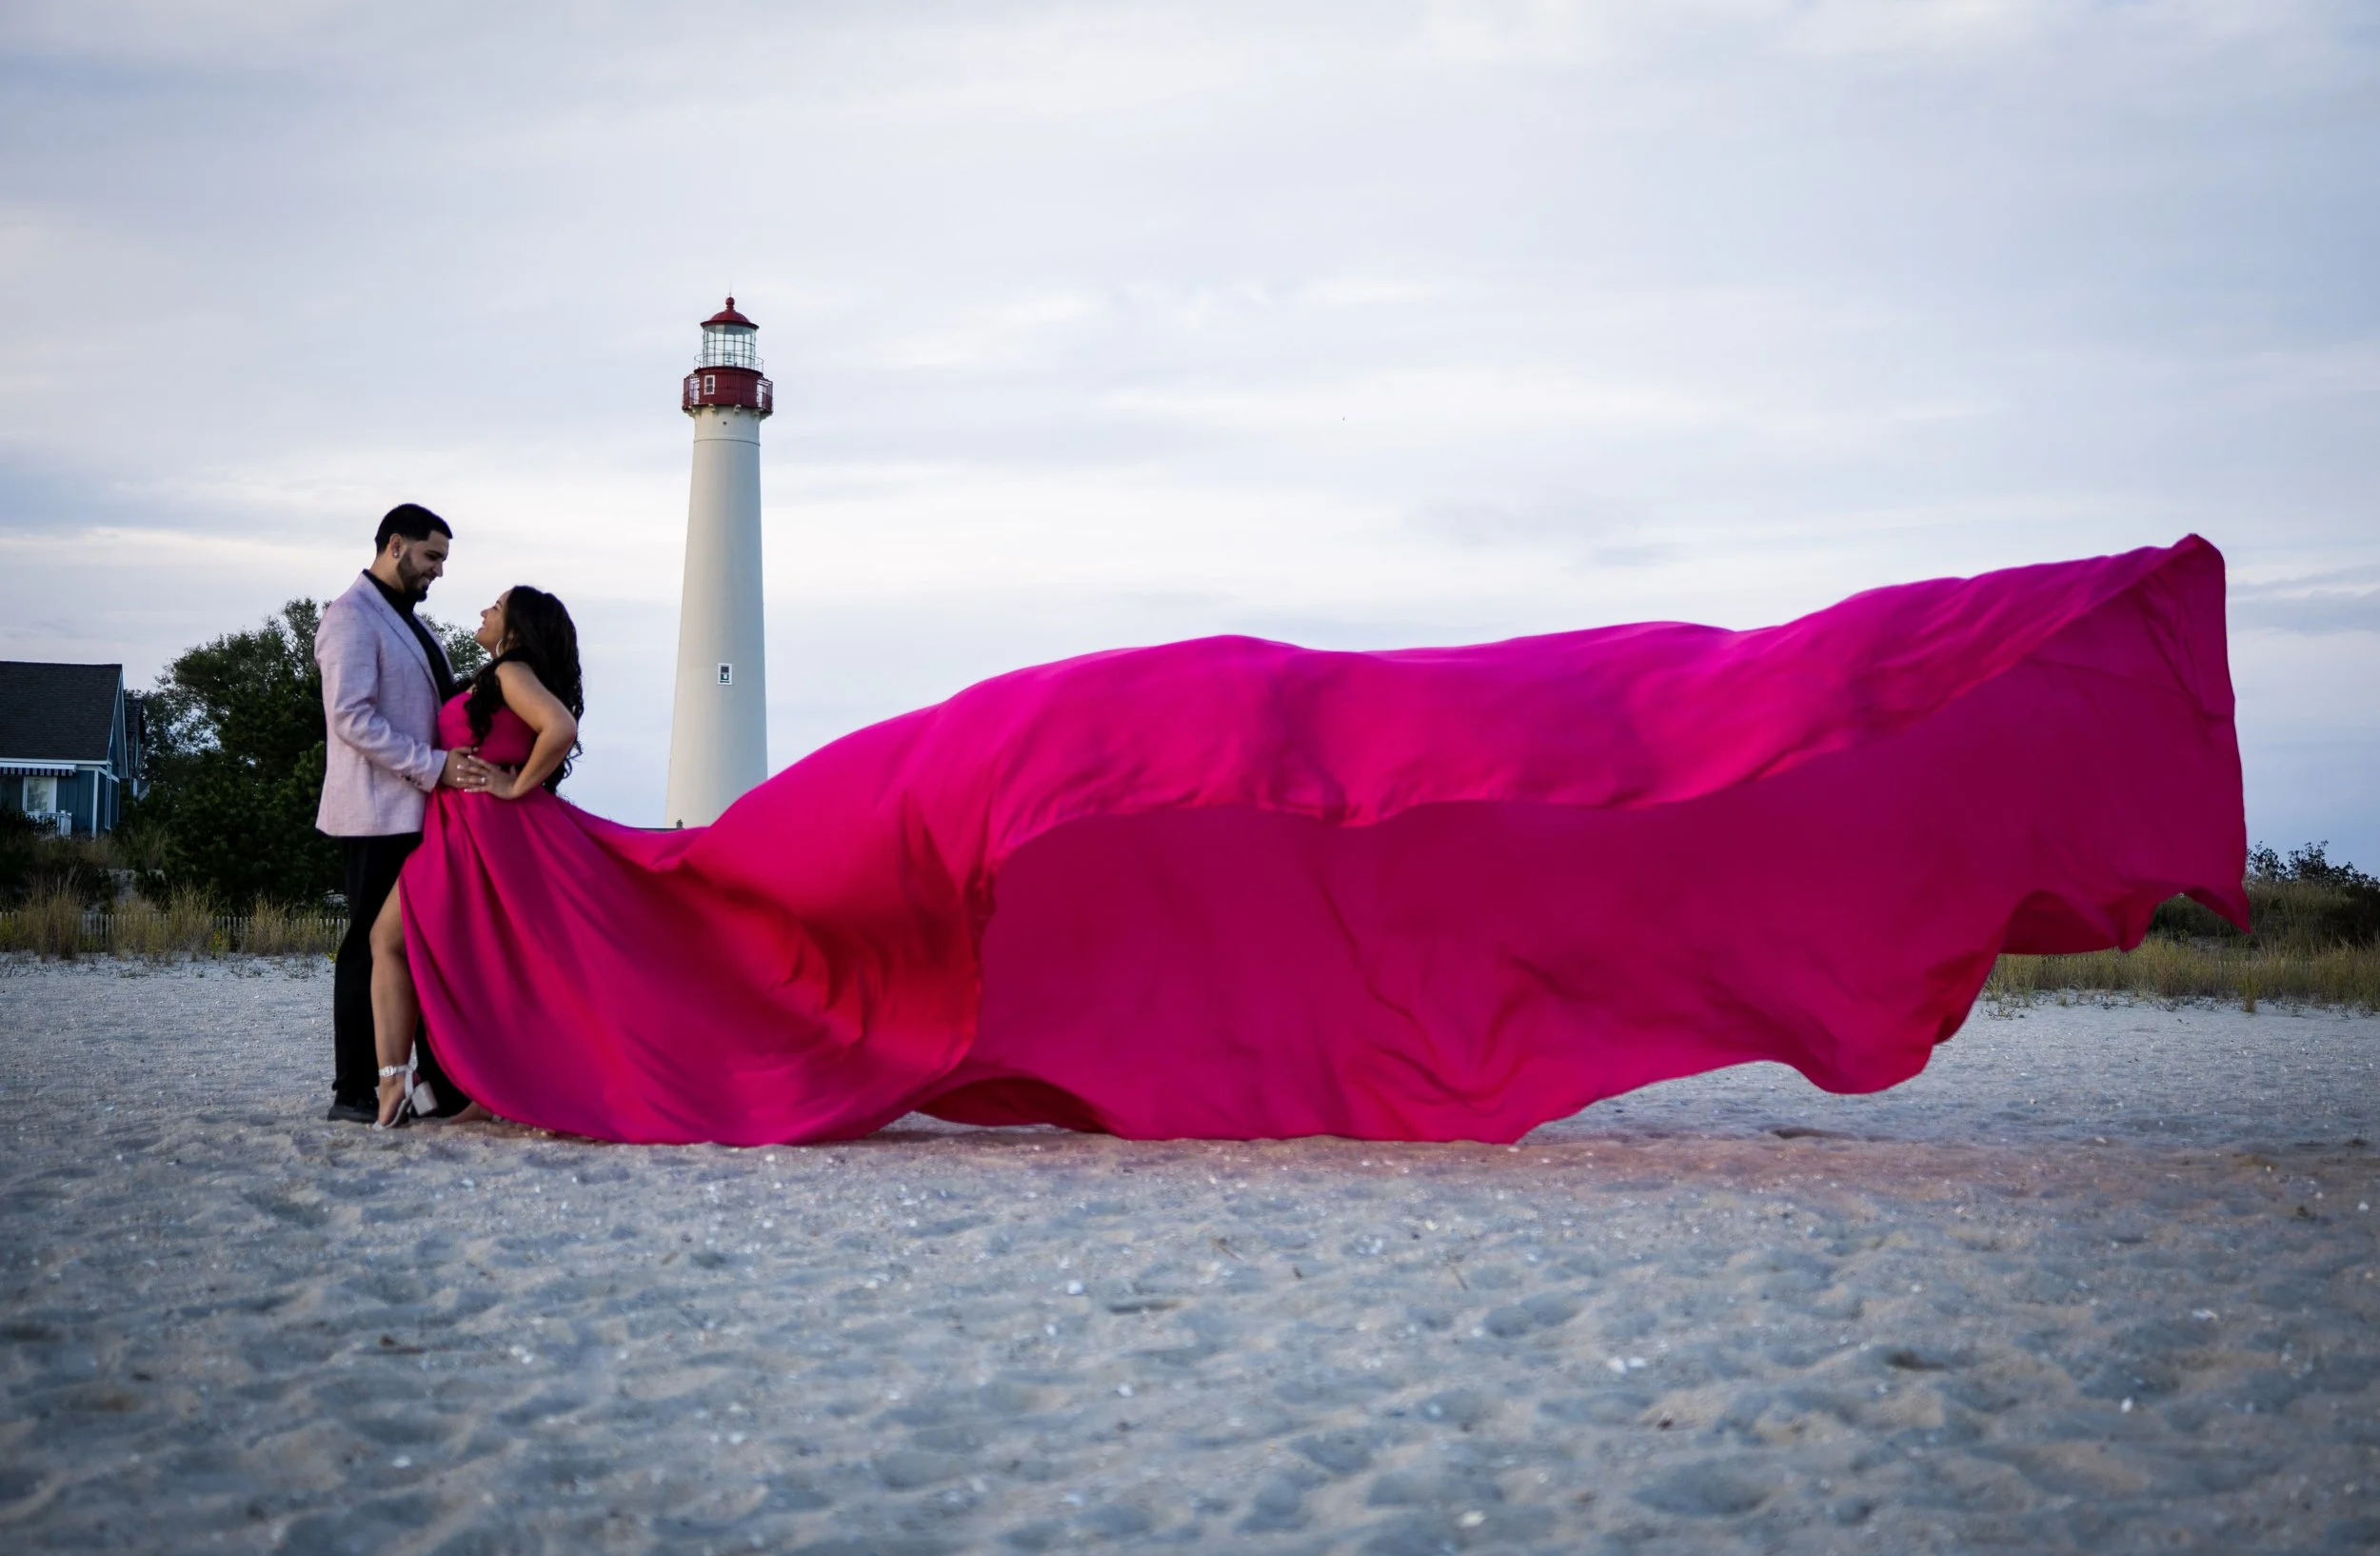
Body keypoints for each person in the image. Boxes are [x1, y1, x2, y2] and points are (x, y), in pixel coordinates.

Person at [384, 537, 2247, 1147]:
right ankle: (400, 1064)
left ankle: (408, 1070)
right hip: (1062, 753)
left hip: (1118, 738)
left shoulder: (1041, 752)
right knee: (1534, 744)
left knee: (1586, 741)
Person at [367, 585, 581, 1127]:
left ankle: (400, 1081)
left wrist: (515, 788)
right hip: (462, 828)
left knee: (391, 940)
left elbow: (560, 727)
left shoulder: (511, 672)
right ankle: (445, 1088)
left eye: (498, 605)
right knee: (470, 958)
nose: (485, 610)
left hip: (477, 830)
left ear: (515, 626)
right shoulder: (497, 677)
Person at [313, 504, 488, 1125]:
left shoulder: (410, 623)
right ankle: (353, 1091)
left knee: (419, 947)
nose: (438, 571)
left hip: (415, 813)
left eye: (442, 559)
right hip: (374, 812)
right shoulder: (350, 617)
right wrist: (432, 765)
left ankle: (429, 1083)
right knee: (366, 946)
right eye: (431, 556)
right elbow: (351, 717)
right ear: (394, 546)